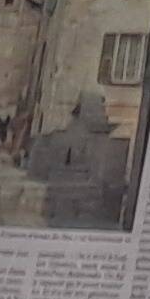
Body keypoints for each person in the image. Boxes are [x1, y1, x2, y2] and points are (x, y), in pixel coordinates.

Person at [26, 93, 130, 227]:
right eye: (101, 109)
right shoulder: (52, 140)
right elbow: (36, 173)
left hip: (85, 213)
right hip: (70, 210)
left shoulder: (107, 145)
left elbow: (36, 173)